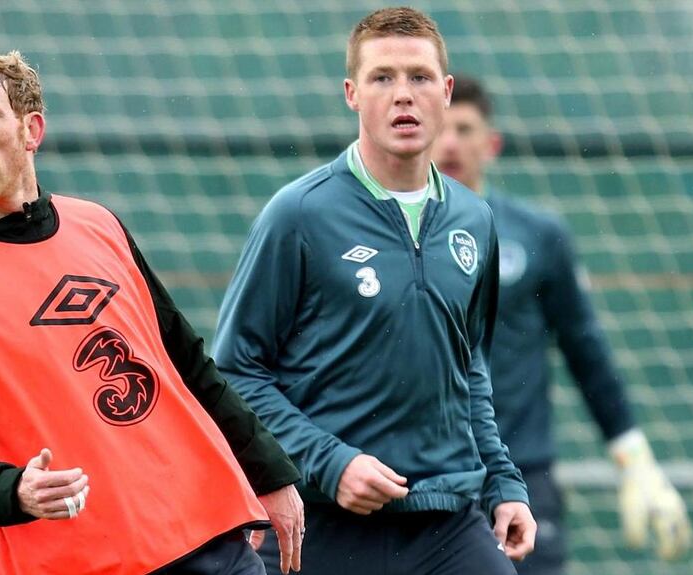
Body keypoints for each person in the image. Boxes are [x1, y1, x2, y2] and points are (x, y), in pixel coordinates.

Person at [0, 51, 305, 575]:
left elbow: (187, 363)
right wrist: (13, 489)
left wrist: (269, 473)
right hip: (83, 558)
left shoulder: (98, 225)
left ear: (31, 129)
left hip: (206, 537)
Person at [213, 8, 536, 575]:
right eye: (382, 78)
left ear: (446, 90)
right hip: (329, 522)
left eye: (419, 77)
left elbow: (469, 369)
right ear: (352, 94)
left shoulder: (474, 219)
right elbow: (237, 371)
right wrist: (331, 463)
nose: (403, 95)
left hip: (448, 521)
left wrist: (503, 481)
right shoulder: (299, 214)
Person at [432, 75, 692, 574]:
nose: (449, 142)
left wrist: (634, 459)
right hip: (429, 477)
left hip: (523, 474)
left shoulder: (537, 235)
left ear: (491, 144)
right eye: (440, 127)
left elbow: (585, 349)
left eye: (464, 129)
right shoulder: (392, 236)